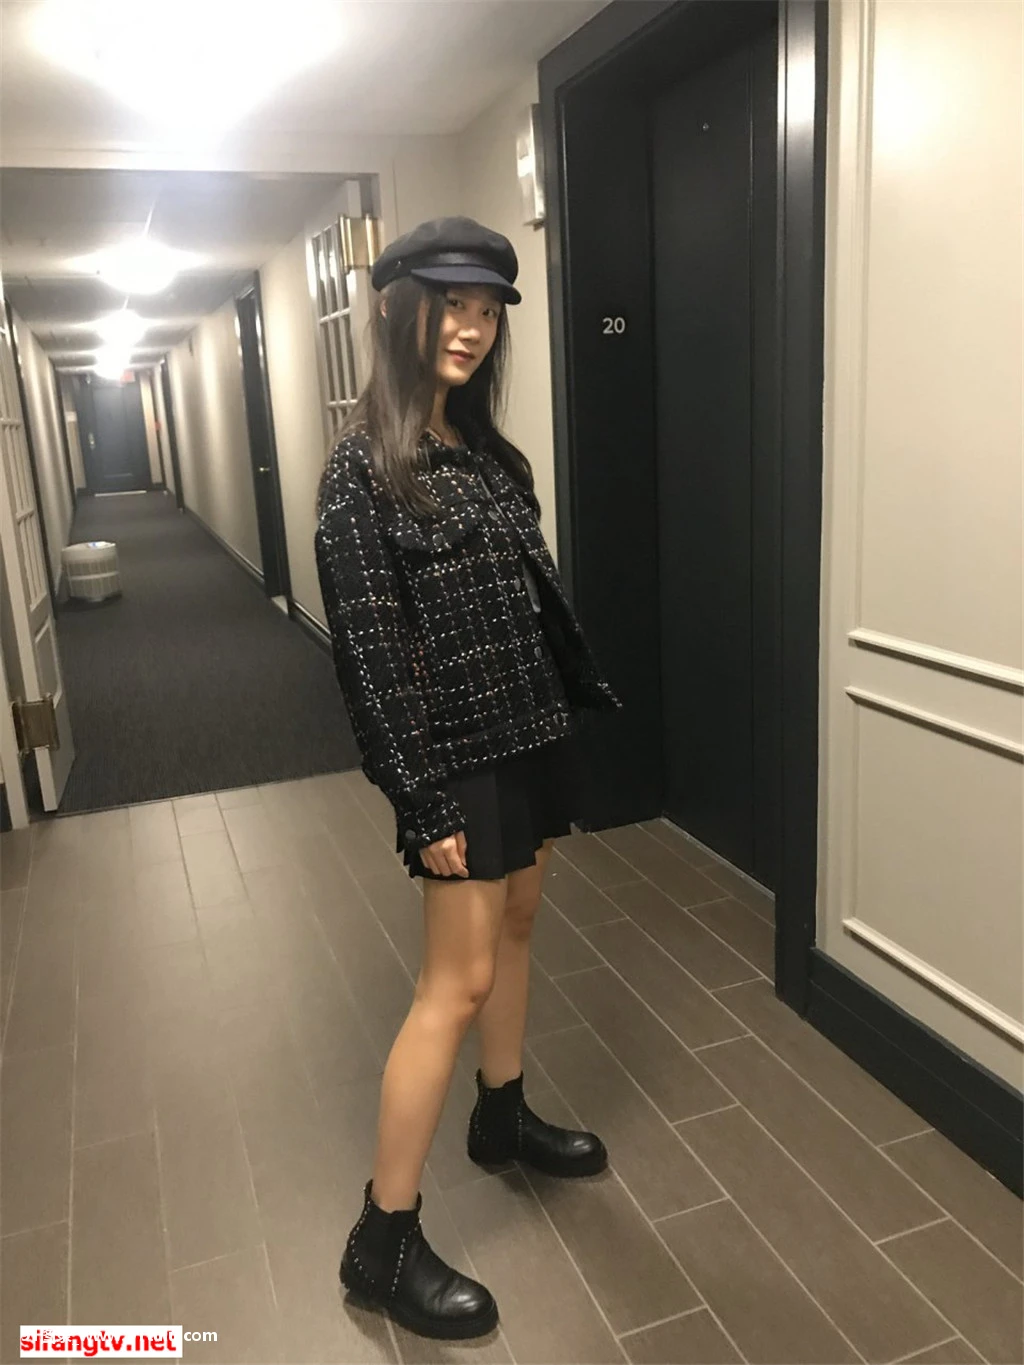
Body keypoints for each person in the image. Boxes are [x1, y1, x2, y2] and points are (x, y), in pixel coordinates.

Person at [313, 216, 622, 1341]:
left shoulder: (493, 459)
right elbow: (369, 656)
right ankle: (382, 1241)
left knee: (523, 925)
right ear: (399, 308)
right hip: (457, 758)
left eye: (488, 310)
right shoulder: (361, 474)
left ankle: (503, 1116)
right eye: (451, 304)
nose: (472, 328)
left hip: (527, 734)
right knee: (456, 981)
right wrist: (420, 797)